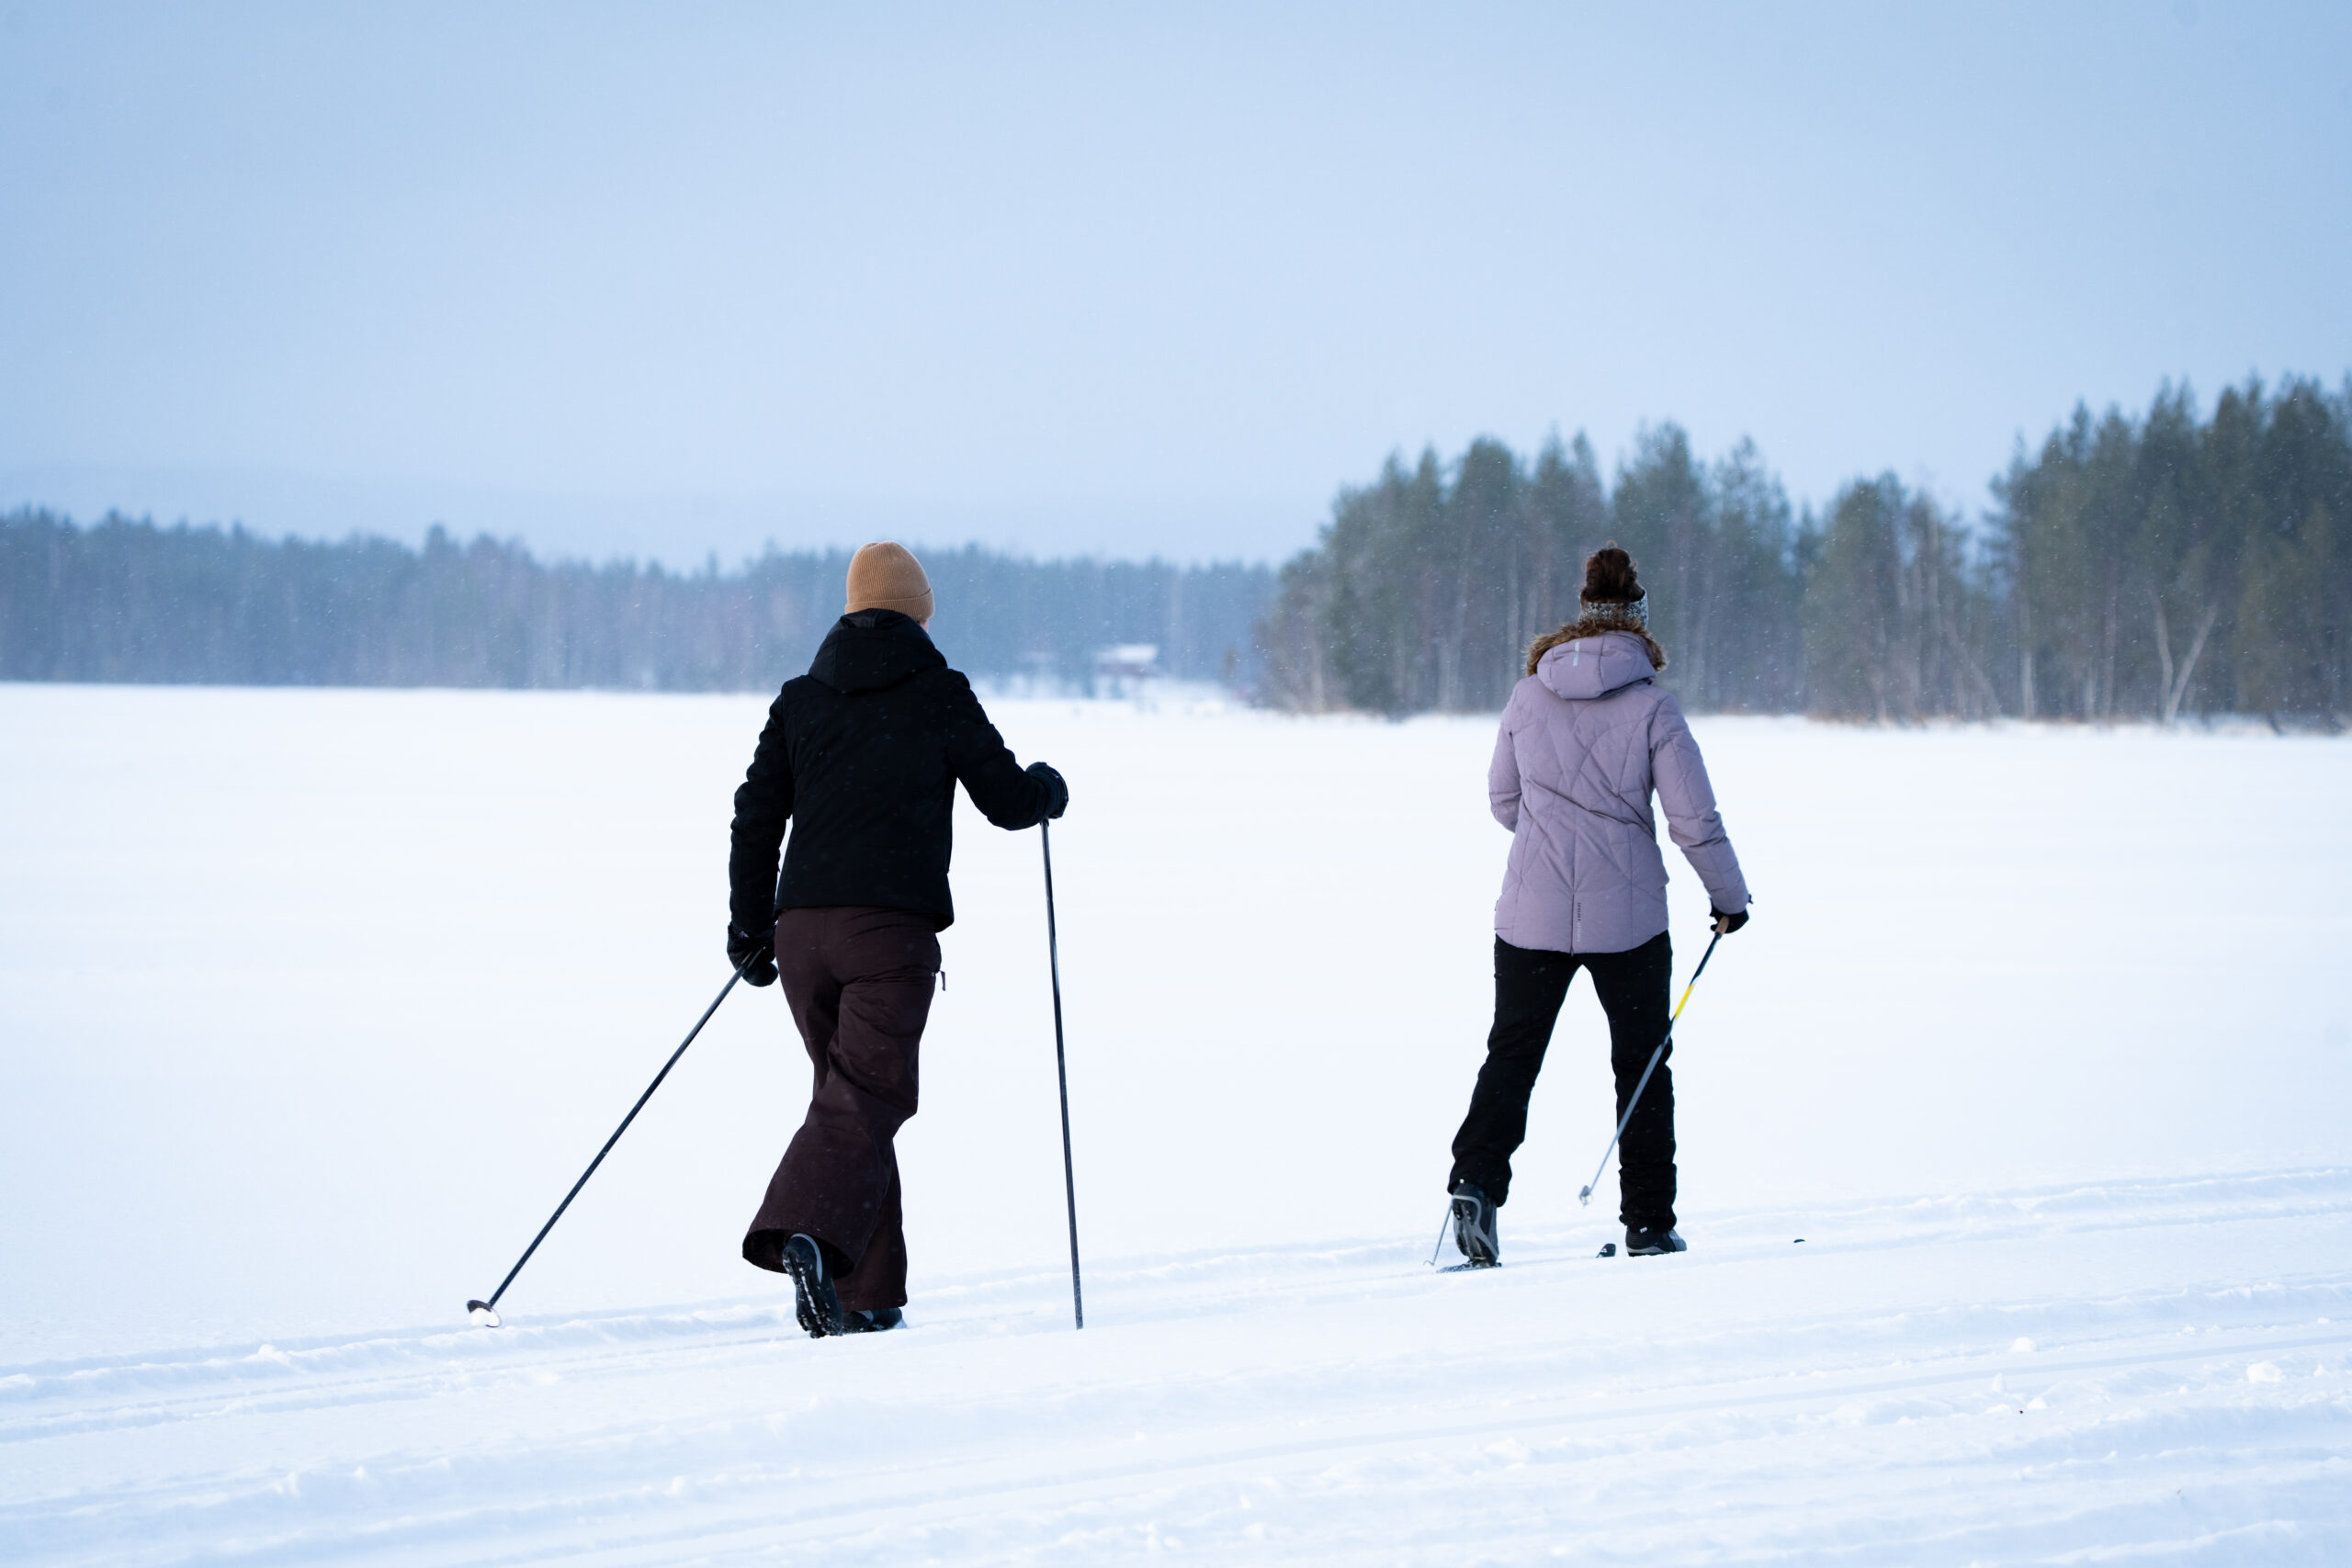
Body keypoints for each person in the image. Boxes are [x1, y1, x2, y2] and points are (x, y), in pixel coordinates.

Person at [727, 541, 1069, 1337]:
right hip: (888, 936)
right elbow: (1007, 800)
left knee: (849, 1105)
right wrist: (1046, 789)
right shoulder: (938, 692)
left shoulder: (799, 701)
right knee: (865, 1102)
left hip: (803, 935)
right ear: (918, 612)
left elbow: (755, 814)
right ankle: (803, 1235)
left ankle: (868, 1295)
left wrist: (750, 927)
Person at [1446, 544, 1748, 1265]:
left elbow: (1502, 800)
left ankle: (1475, 1184)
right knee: (1641, 1065)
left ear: (1580, 620)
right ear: (1639, 623)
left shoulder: (1527, 696)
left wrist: (1555, 841)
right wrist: (1728, 897)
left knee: (1512, 1056)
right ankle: (1648, 1222)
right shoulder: (1654, 707)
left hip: (1531, 915)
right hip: (1631, 922)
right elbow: (1693, 819)